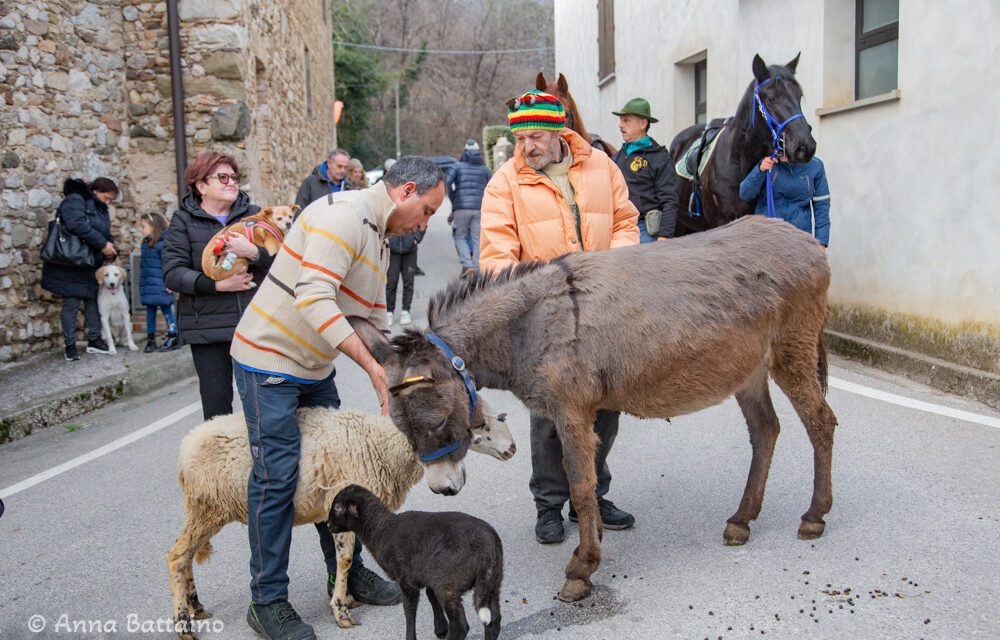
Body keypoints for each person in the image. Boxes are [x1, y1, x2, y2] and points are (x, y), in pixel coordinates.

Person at [230, 156, 445, 640]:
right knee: (278, 475)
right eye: (428, 211)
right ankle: (266, 601)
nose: (426, 223)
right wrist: (371, 367)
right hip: (269, 358)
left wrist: (395, 377)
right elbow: (313, 298)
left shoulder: (379, 235)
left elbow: (372, 317)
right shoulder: (344, 216)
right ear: (406, 191)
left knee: (340, 476)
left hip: (312, 365)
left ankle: (347, 576)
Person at [480, 90, 640, 545]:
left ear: (557, 132)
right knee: (551, 416)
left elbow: (626, 222)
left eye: (535, 136)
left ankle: (589, 495)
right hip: (545, 320)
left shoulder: (601, 166)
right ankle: (548, 504)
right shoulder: (504, 183)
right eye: (520, 138)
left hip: (604, 309)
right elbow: (497, 257)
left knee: (606, 406)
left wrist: (612, 270)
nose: (526, 146)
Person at [162, 151, 274, 420]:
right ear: (201, 185)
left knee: (266, 406)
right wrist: (217, 286)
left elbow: (282, 260)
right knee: (216, 409)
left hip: (254, 325)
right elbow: (173, 273)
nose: (231, 182)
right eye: (223, 177)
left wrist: (253, 252)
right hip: (208, 327)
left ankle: (262, 450)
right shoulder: (183, 221)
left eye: (234, 177)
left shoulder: (254, 216)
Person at [41, 177, 119, 361]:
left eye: (110, 200)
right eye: (106, 198)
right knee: (72, 301)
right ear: (95, 191)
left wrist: (110, 248)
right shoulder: (76, 199)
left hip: (89, 261)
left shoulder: (99, 207)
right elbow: (75, 224)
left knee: (91, 299)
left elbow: (103, 231)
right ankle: (70, 346)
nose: (108, 203)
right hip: (71, 261)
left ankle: (94, 340)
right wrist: (102, 244)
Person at [611, 98, 679, 242]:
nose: (620, 125)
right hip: (618, 229)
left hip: (646, 232)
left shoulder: (660, 158)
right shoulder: (616, 158)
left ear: (643, 124)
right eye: (621, 120)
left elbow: (669, 200)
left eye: (626, 120)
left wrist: (664, 237)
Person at [739, 153, 831, 249]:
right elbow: (745, 194)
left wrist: (821, 244)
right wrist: (759, 170)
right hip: (767, 238)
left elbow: (822, 207)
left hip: (799, 240)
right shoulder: (768, 162)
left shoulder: (815, 166)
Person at [445, 138, 492, 277]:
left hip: (461, 207)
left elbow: (447, 181)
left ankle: (467, 265)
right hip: (479, 208)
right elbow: (491, 187)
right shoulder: (484, 169)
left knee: (460, 237)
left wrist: (454, 197)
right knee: (478, 239)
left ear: (465, 151)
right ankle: (477, 268)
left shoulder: (457, 166)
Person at [137, 212, 179, 352]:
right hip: (149, 284)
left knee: (166, 309)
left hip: (161, 284)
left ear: (153, 226)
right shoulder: (146, 244)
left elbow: (168, 264)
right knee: (150, 311)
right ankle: (151, 339)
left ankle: (173, 335)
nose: (141, 230)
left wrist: (170, 282)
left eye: (143, 226)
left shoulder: (163, 244)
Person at [385, 227, 423, 326]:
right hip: (392, 250)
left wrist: (416, 237)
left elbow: (423, 223)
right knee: (391, 283)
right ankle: (389, 312)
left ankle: (406, 311)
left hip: (410, 250)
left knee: (408, 282)